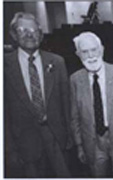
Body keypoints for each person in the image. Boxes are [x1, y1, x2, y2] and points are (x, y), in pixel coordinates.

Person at [4, 12, 71, 178]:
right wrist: (8, 148)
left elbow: (66, 103)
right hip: (23, 142)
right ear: (13, 34)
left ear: (41, 35)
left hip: (56, 137)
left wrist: (70, 139)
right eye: (22, 30)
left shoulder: (57, 62)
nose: (29, 34)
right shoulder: (4, 65)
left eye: (34, 30)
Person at [70, 32, 113, 178]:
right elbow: (74, 116)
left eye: (94, 50)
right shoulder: (75, 79)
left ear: (101, 50)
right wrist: (79, 146)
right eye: (85, 52)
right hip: (93, 144)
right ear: (78, 54)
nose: (90, 56)